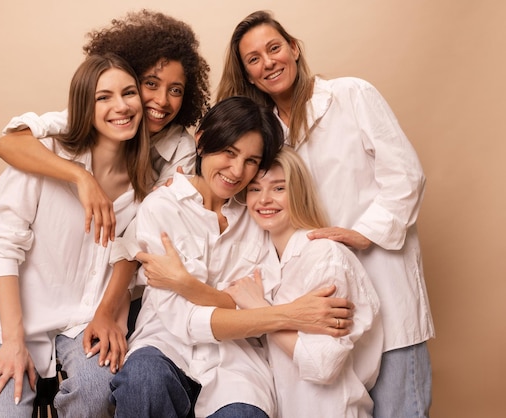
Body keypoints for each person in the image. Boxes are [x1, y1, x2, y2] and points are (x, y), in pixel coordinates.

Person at [217, 10, 435, 417]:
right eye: (254, 59)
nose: (268, 62)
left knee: (399, 409)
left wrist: (362, 233)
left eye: (274, 48)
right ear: (247, 75)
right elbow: (243, 189)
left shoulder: (352, 95)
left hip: (383, 280)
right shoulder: (264, 134)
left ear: (294, 48)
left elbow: (406, 175)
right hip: (319, 306)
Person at [0, 10, 211, 371]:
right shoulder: (98, 111)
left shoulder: (179, 152)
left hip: (132, 285)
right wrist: (83, 178)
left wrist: (107, 311)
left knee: (110, 378)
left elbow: (142, 239)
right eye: (150, 84)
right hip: (68, 287)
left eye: (176, 90)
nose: (162, 100)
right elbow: (9, 145)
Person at [110, 96, 355, 418]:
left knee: (243, 414)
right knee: (143, 380)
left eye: (251, 160)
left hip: (236, 361)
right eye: (229, 152)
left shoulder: (258, 214)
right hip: (165, 345)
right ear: (201, 143)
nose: (237, 171)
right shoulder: (162, 207)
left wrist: (185, 283)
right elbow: (181, 319)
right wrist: (285, 313)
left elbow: (258, 303)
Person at [0, 53, 153, 417]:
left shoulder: (142, 186)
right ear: (84, 105)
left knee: (99, 393)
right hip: (12, 323)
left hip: (81, 324)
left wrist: (111, 316)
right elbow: (4, 247)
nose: (121, 106)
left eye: (129, 93)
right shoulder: (40, 156)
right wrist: (12, 341)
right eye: (104, 97)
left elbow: (129, 259)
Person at [224, 147, 384, 417]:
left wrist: (260, 310)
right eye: (254, 189)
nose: (264, 200)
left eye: (278, 189)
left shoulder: (325, 256)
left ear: (298, 192)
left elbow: (322, 363)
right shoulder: (262, 259)